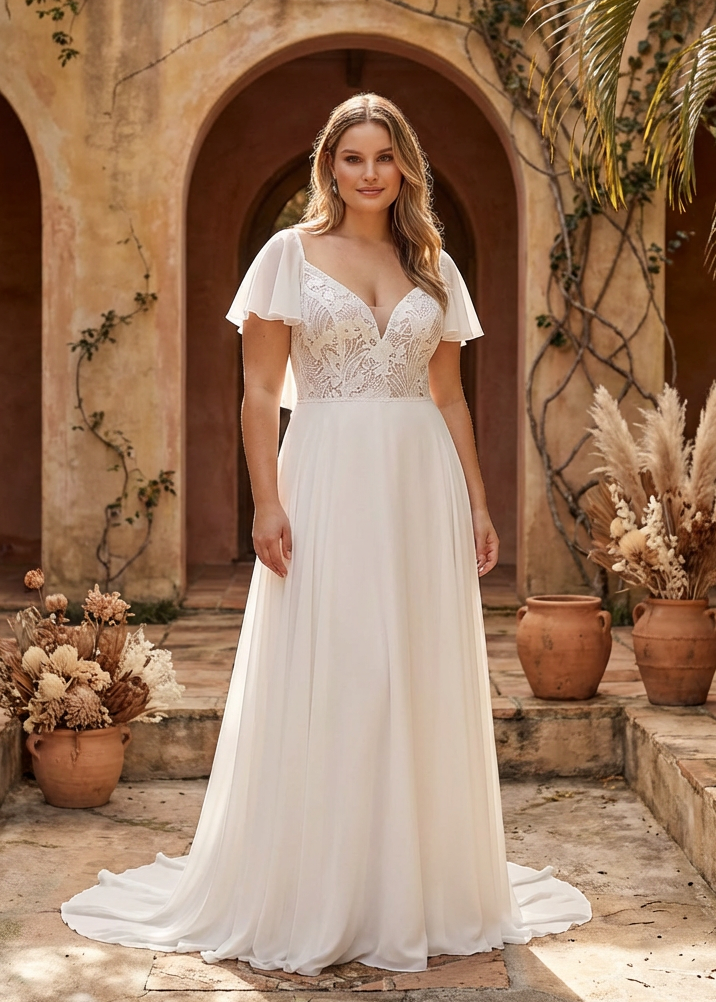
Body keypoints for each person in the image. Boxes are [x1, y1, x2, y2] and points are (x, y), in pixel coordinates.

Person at [61, 93, 590, 975]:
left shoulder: (435, 268)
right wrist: (266, 502)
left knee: (410, 669)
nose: (371, 173)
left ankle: (411, 883)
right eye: (354, 158)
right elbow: (260, 393)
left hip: (418, 483)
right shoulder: (286, 257)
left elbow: (450, 395)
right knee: (342, 664)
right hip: (327, 477)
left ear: (406, 167)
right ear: (329, 167)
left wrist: (480, 501)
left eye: (386, 157)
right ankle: (321, 885)